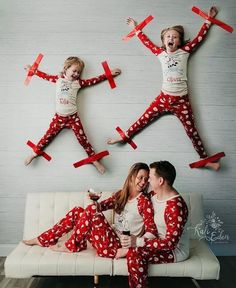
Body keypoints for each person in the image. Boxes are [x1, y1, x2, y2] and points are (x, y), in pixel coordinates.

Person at [108, 7, 222, 171]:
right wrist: (136, 27)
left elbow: (199, 39)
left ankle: (204, 159)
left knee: (192, 131)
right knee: (143, 119)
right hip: (163, 98)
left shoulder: (185, 52)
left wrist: (208, 20)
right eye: (168, 36)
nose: (171, 38)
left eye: (175, 37)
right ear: (163, 41)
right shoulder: (160, 53)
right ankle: (124, 137)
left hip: (181, 100)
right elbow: (146, 42)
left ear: (180, 41)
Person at [23, 162, 157, 259]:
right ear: (132, 177)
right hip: (107, 239)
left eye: (146, 179)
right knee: (78, 211)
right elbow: (99, 207)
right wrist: (93, 201)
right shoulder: (121, 195)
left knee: (91, 209)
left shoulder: (143, 201)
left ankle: (72, 245)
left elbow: (151, 231)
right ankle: (43, 239)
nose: (143, 182)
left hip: (118, 246)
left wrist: (135, 245)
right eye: (141, 177)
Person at [25, 56, 121, 174]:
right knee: (47, 136)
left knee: (83, 139)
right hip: (59, 117)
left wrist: (109, 74)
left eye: (78, 72)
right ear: (66, 68)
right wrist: (33, 70)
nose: (76, 74)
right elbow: (44, 76)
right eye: (74, 71)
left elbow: (94, 80)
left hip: (73, 117)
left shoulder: (78, 83)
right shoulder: (58, 79)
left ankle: (95, 161)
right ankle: (33, 154)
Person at [120, 161, 189, 288]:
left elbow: (170, 244)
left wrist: (138, 241)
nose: (147, 182)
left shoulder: (175, 206)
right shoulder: (154, 195)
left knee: (135, 252)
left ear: (160, 181)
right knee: (133, 250)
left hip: (174, 250)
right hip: (156, 241)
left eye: (150, 178)